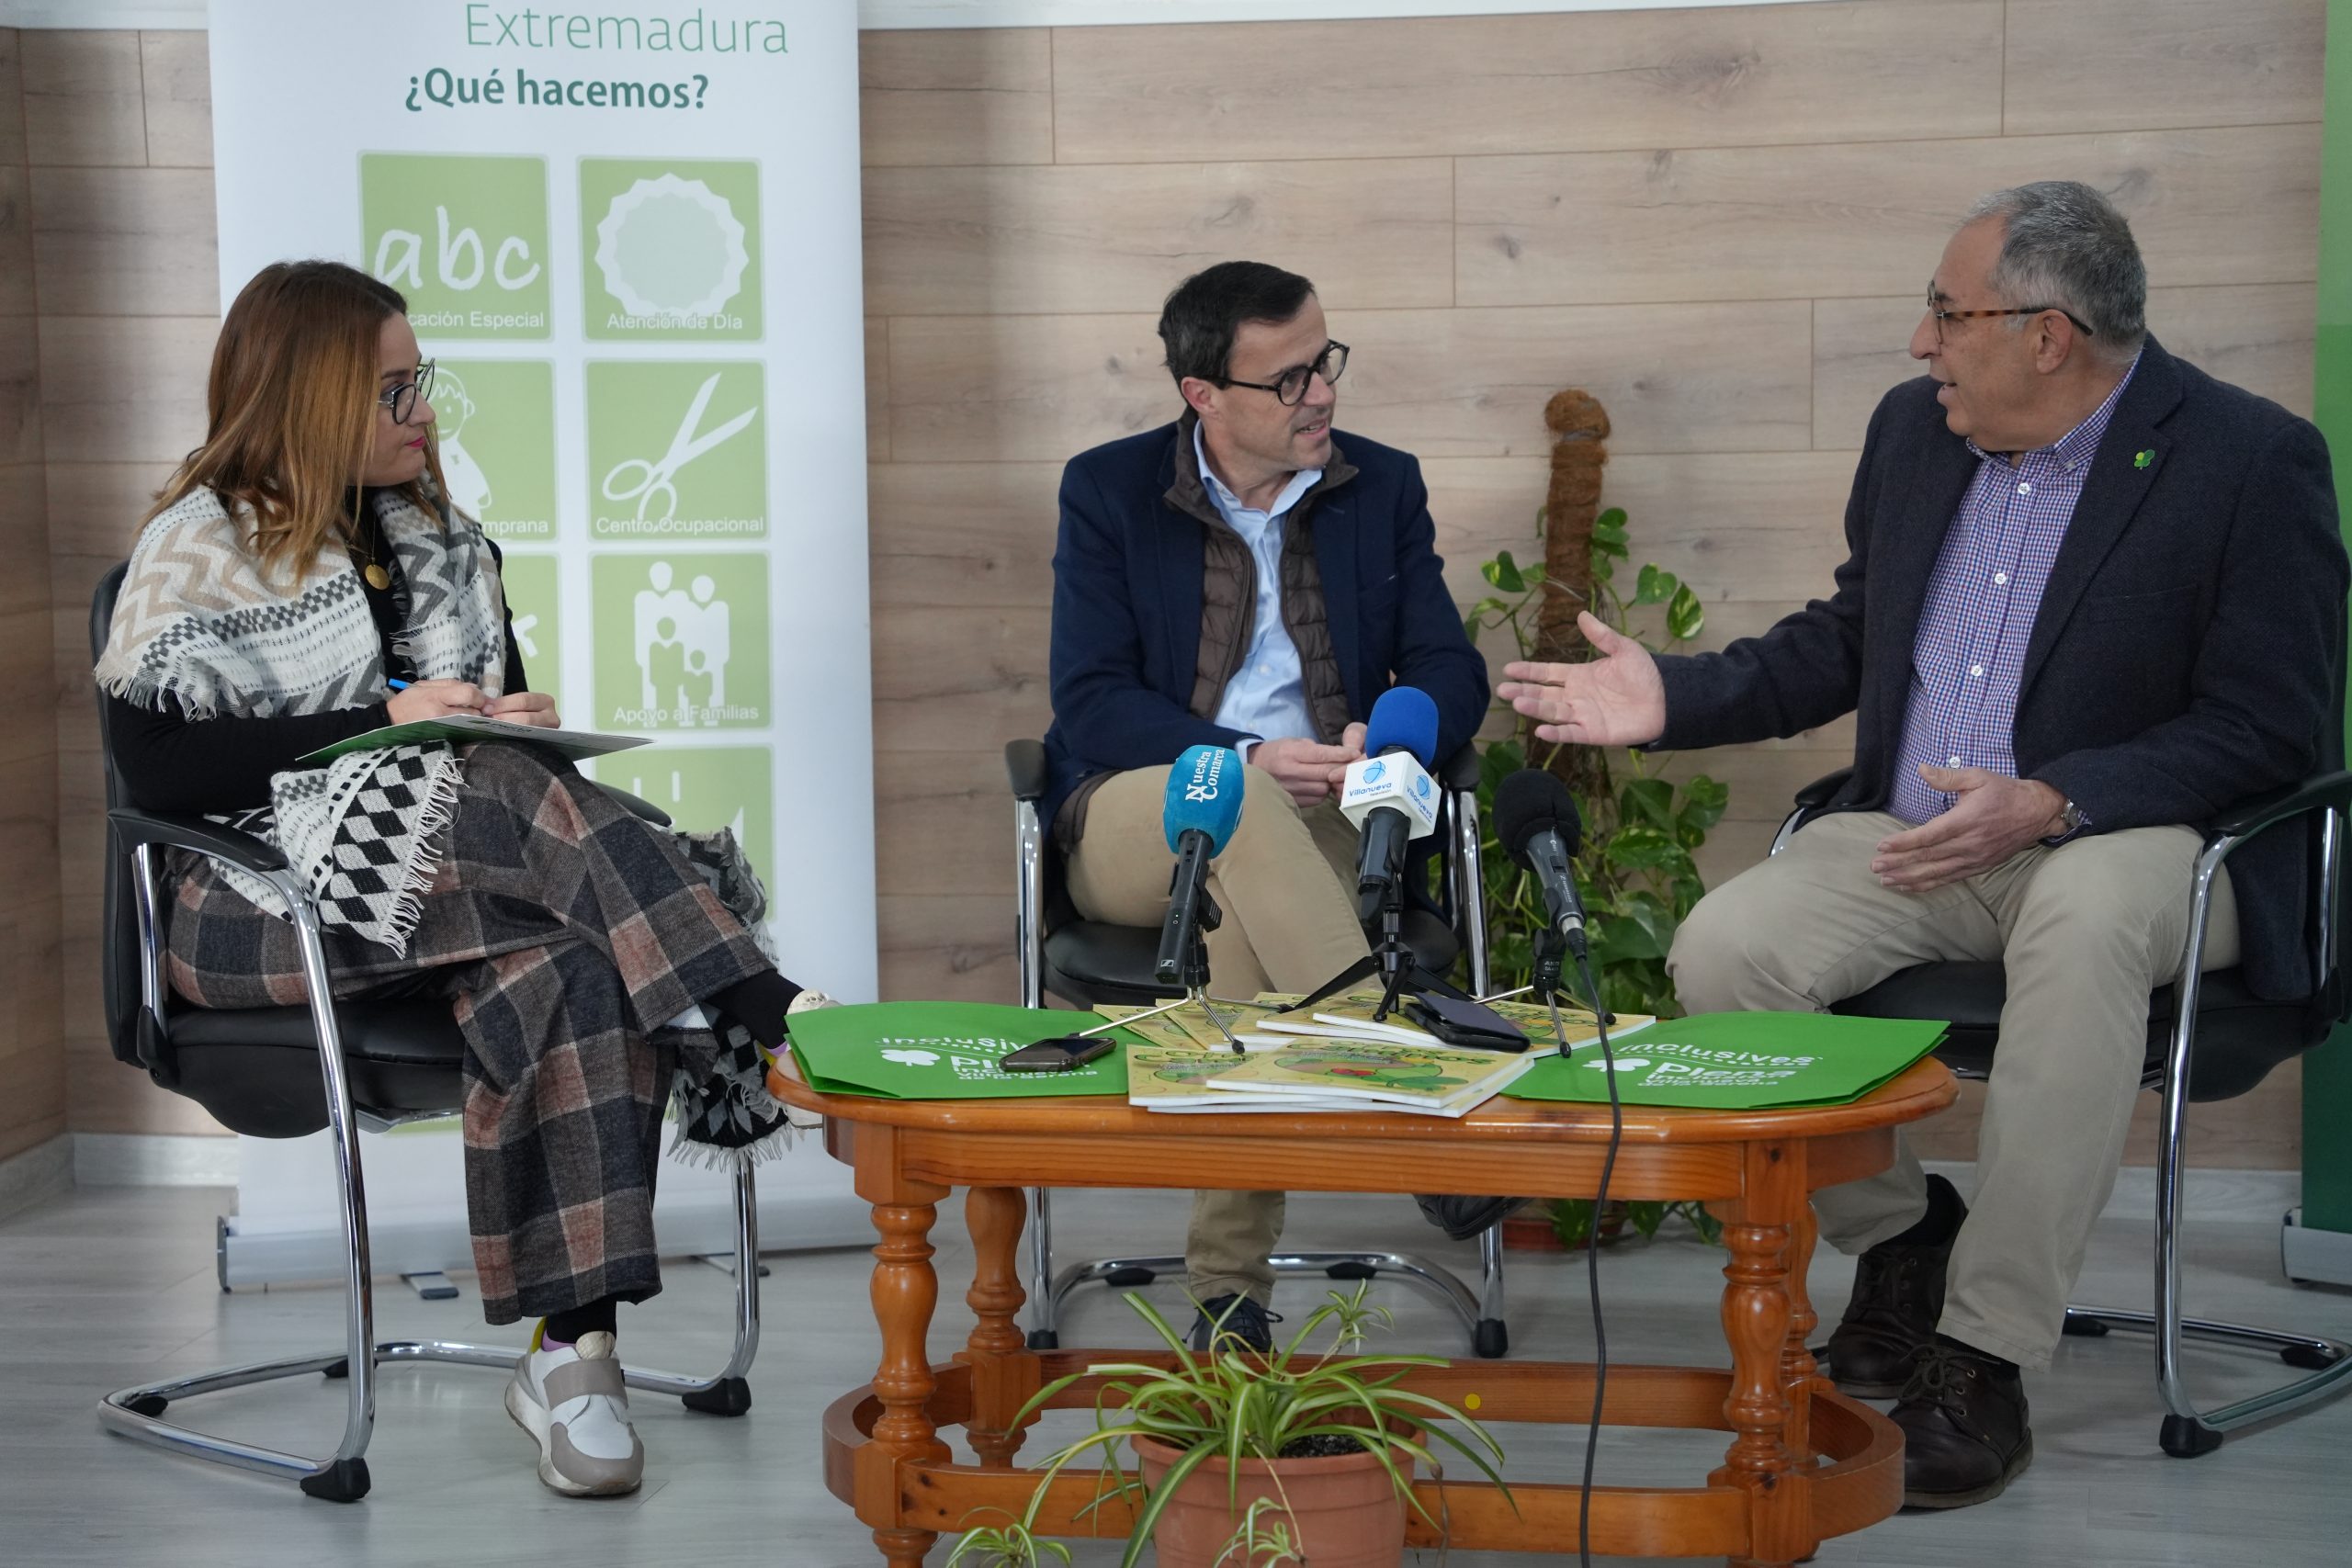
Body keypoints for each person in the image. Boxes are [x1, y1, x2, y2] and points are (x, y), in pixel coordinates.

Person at [1498, 182, 2346, 1509]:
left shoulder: (2248, 458)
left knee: (2082, 917)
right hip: (1919, 839)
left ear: (2047, 336)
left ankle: (1985, 1353)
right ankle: (1904, 1240)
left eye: (1948, 315)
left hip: (2143, 840)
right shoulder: (1916, 431)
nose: (1919, 343)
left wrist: (2056, 797)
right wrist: (1675, 697)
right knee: (1726, 950)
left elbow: (2268, 722)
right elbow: (1850, 637)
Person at [96, 261, 830, 1499]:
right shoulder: (195, 549)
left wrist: (511, 719)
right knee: (498, 790)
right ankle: (759, 1008)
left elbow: (489, 758)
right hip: (253, 901)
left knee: (574, 959)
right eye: (394, 389)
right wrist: (383, 721)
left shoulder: (443, 544)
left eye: (418, 381)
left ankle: (572, 1357)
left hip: (434, 889)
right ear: (314, 395)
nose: (424, 410)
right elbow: (158, 772)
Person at [1040, 261, 1493, 1351]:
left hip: (1324, 818)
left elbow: (1446, 665)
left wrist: (1385, 744)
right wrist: (1242, 755)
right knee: (1237, 796)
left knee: (1241, 932)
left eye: (1323, 362)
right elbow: (1091, 699)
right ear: (1203, 394)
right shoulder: (1108, 490)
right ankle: (1406, 1092)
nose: (1321, 392)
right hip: (1142, 813)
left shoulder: (1380, 485)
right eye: (1288, 379)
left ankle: (1227, 1302)